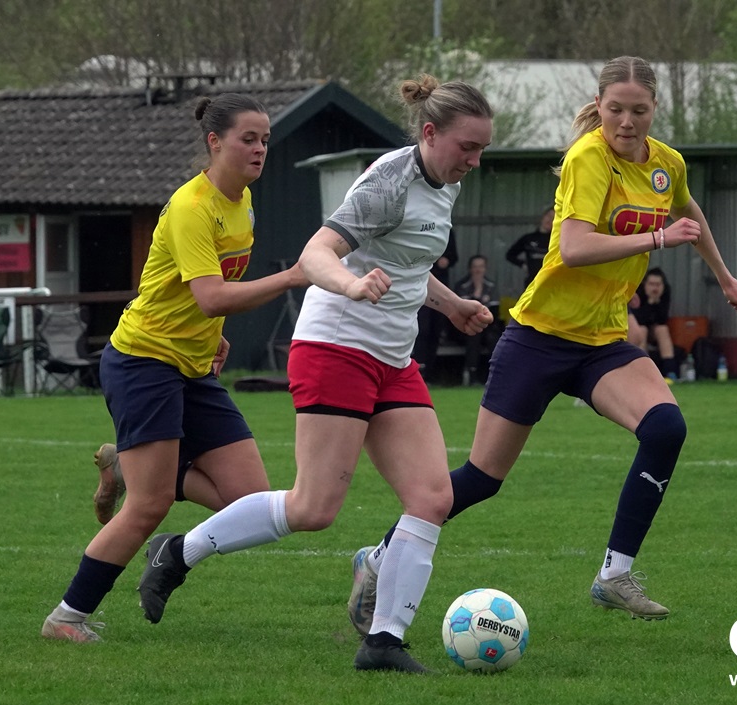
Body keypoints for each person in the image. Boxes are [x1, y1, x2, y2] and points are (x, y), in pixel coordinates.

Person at [347, 56, 737, 635]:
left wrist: (725, 277)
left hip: (602, 341)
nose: (627, 122)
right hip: (538, 338)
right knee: (482, 479)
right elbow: (577, 247)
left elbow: (689, 210)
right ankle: (379, 556)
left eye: (639, 111)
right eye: (616, 110)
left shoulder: (667, 163)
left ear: (655, 109)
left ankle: (615, 574)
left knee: (666, 428)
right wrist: (658, 238)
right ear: (600, 105)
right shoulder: (589, 158)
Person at [135, 75, 495, 673]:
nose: (474, 161)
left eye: (481, 149)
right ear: (430, 134)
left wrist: (451, 304)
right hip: (336, 348)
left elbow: (404, 263)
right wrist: (351, 285)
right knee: (313, 508)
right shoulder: (389, 182)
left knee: (433, 497)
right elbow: (316, 254)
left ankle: (383, 642)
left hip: (392, 358)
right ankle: (177, 551)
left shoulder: (445, 181)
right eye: (468, 147)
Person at [41, 93, 309, 642]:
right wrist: (291, 277)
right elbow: (210, 296)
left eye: (265, 140)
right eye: (248, 139)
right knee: (150, 504)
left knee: (251, 501)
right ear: (215, 142)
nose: (260, 149)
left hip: (192, 364)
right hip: (144, 360)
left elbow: (204, 295)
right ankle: (65, 618)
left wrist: (213, 335)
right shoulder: (192, 206)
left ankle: (128, 466)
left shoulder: (243, 201)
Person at [413, 229, 458, 381]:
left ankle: (430, 371)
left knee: (436, 329)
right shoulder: (419, 228)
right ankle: (419, 367)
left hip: (441, 284)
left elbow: (454, 256)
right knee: (422, 328)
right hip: (420, 283)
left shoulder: (447, 229)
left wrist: (447, 260)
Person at [452, 254, 502, 384]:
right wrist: (478, 294)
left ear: (485, 268)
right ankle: (472, 375)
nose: (478, 270)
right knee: (473, 335)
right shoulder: (462, 286)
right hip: (464, 326)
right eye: (475, 267)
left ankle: (495, 375)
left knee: (494, 338)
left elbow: (495, 312)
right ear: (470, 269)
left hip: (487, 327)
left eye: (481, 267)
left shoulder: (491, 286)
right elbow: (463, 313)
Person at [627, 267, 678, 382]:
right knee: (642, 330)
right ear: (645, 284)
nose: (655, 288)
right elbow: (637, 319)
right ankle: (642, 371)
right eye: (651, 284)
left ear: (663, 285)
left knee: (662, 329)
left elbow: (662, 319)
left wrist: (656, 301)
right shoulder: (638, 293)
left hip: (654, 329)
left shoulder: (664, 293)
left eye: (658, 284)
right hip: (640, 328)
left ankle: (670, 372)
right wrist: (650, 303)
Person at [505, 205, 554, 290]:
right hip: (532, 282)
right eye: (549, 216)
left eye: (554, 218)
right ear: (543, 217)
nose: (550, 220)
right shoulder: (528, 238)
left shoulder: (557, 240)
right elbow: (510, 255)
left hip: (551, 282)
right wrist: (523, 264)